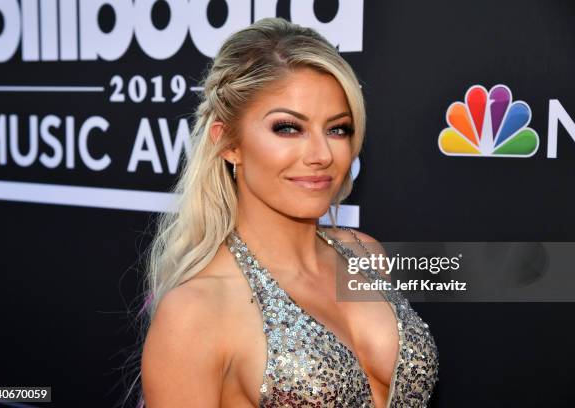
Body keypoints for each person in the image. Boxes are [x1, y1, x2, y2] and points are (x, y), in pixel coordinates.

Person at [137, 17, 438, 407]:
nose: (322, 155)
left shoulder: (366, 255)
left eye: (338, 129)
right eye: (288, 128)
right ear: (228, 143)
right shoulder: (196, 311)